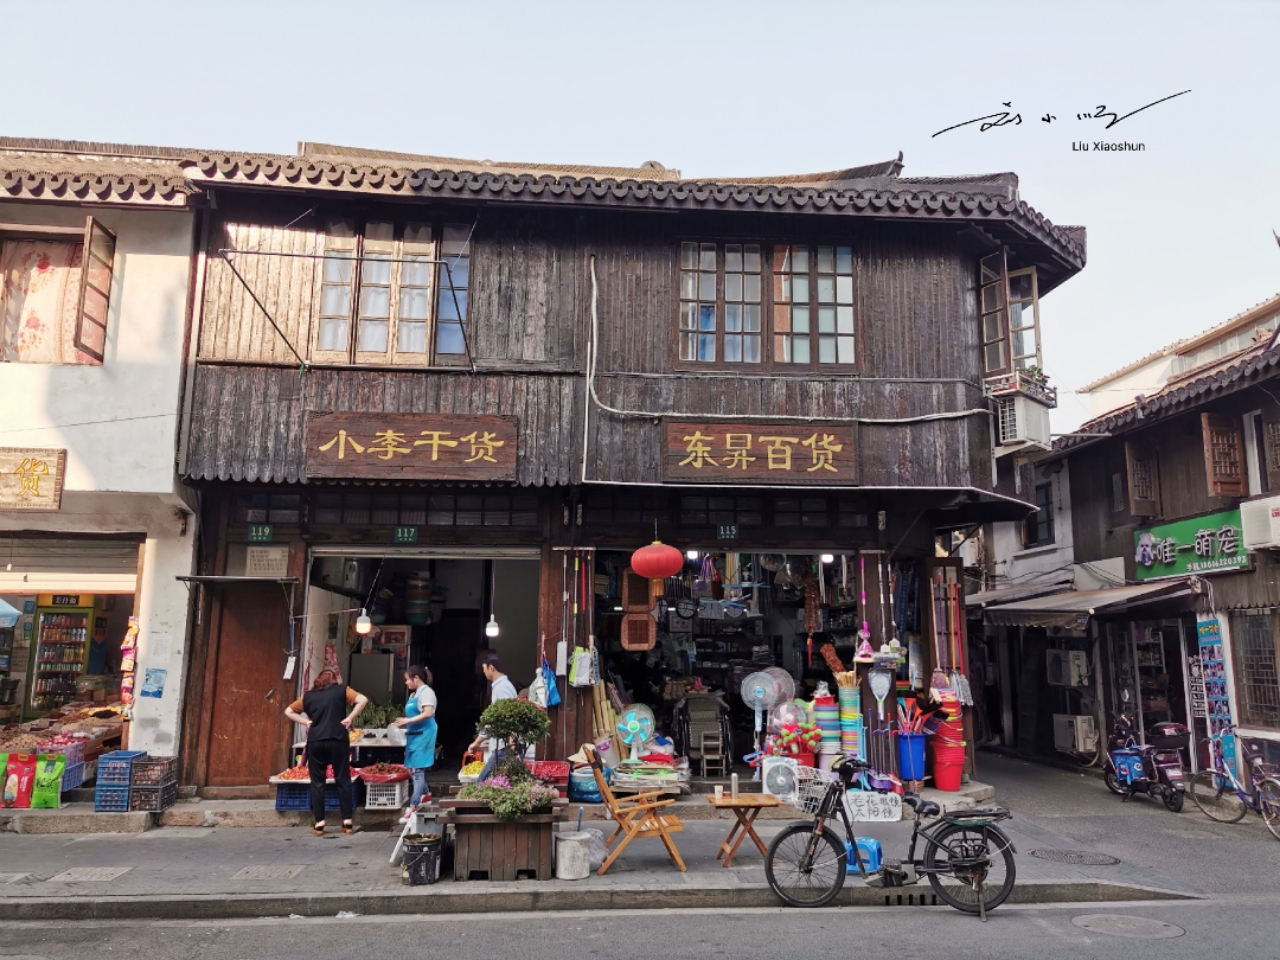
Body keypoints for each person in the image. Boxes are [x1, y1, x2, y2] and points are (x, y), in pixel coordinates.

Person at [284, 670, 367, 836]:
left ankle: (319, 823)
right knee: (342, 779)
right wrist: (350, 718)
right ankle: (347, 821)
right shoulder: (342, 690)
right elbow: (362, 700)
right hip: (338, 739)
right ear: (334, 680)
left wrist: (306, 721)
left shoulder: (308, 696)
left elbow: (288, 711)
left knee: (318, 782)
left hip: (316, 741)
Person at [392, 665, 437, 811]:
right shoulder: (413, 695)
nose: (406, 683)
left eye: (407, 680)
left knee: (417, 770)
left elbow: (428, 713)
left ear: (416, 678)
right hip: (413, 734)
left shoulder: (427, 693)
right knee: (412, 769)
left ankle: (414, 805)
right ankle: (426, 794)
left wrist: (407, 721)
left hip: (425, 733)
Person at [469, 653, 518, 781]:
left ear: (491, 668)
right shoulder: (500, 686)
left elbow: (509, 717)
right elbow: (493, 720)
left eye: (484, 669)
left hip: (503, 747)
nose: (484, 673)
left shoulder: (502, 688)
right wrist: (477, 742)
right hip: (502, 747)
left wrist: (512, 745)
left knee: (481, 783)